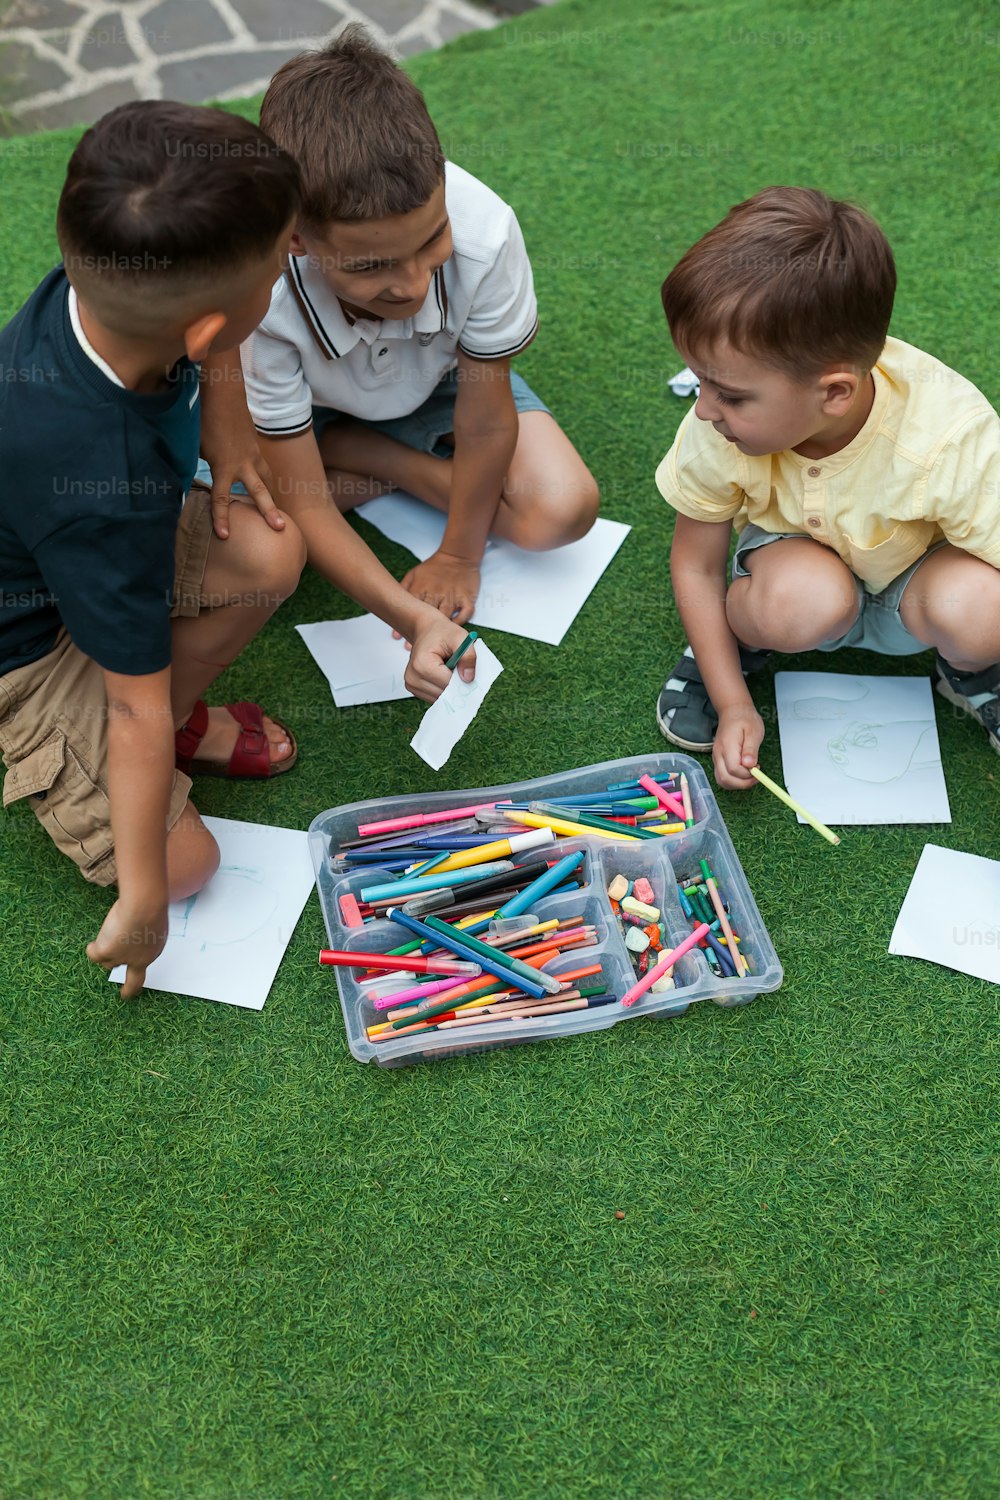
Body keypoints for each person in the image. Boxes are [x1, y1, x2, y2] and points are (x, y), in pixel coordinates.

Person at [0, 101, 467, 1001]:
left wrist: (222, 407)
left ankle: (168, 722)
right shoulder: (99, 473)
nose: (299, 259)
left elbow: (223, 331)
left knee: (264, 552)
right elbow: (132, 711)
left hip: (86, 549)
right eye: (282, 261)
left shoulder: (116, 270)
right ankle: (92, 761)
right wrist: (141, 899)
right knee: (184, 866)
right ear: (209, 329)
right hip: (27, 643)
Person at [205, 23, 599, 627]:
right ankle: (346, 449)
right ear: (296, 240)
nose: (412, 286)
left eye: (432, 239)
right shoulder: (262, 290)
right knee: (244, 535)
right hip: (297, 407)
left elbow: (487, 415)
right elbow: (305, 505)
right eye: (371, 265)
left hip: (440, 381)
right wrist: (405, 615)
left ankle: (373, 458)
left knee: (562, 511)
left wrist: (460, 554)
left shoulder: (485, 231)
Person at [653, 186, 1000, 789]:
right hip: (795, 576)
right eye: (700, 381)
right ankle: (738, 647)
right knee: (801, 601)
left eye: (730, 394)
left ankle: (970, 670)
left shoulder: (949, 438)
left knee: (985, 611)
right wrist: (733, 702)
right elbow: (696, 567)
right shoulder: (719, 427)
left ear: (835, 392)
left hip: (912, 587)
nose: (704, 408)